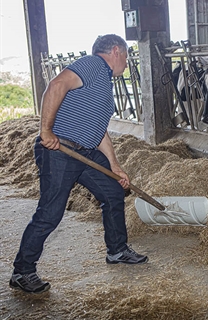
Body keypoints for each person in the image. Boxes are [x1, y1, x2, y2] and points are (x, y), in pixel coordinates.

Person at [10, 34, 148, 294]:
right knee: (50, 213)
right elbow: (56, 85)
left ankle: (117, 251)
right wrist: (46, 131)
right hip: (60, 150)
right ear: (116, 51)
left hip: (85, 152)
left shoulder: (103, 82)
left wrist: (114, 166)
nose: (127, 63)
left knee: (113, 192)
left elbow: (99, 131)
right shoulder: (94, 64)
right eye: (127, 57)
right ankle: (22, 271)